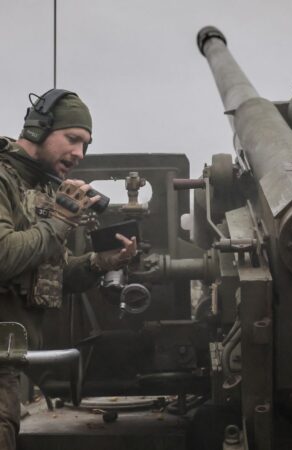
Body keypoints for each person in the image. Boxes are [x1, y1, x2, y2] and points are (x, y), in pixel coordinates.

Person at [0, 89, 137, 450]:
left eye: (86, 144)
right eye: (72, 139)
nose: (79, 153)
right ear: (37, 130)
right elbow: (3, 257)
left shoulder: (44, 188)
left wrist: (99, 263)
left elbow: (50, 276)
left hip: (8, 363)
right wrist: (60, 221)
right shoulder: (2, 179)